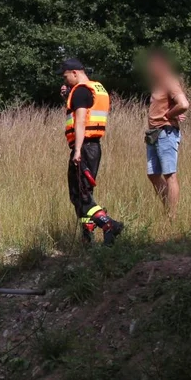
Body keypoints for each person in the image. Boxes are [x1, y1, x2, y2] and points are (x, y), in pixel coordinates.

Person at [60, 58, 124, 245]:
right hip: (94, 147)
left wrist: (77, 150)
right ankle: (88, 238)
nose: (65, 81)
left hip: (84, 148)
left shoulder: (80, 91)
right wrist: (67, 97)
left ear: (75, 73)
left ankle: (109, 225)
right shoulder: (97, 88)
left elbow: (80, 121)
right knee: (83, 192)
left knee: (79, 194)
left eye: (66, 77)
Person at [144, 49, 190, 218]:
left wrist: (169, 115)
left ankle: (172, 215)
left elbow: (183, 103)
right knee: (153, 174)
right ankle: (168, 208)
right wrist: (172, 111)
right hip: (153, 134)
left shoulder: (170, 80)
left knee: (169, 174)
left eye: (152, 65)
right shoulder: (158, 83)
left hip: (166, 132)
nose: (149, 69)